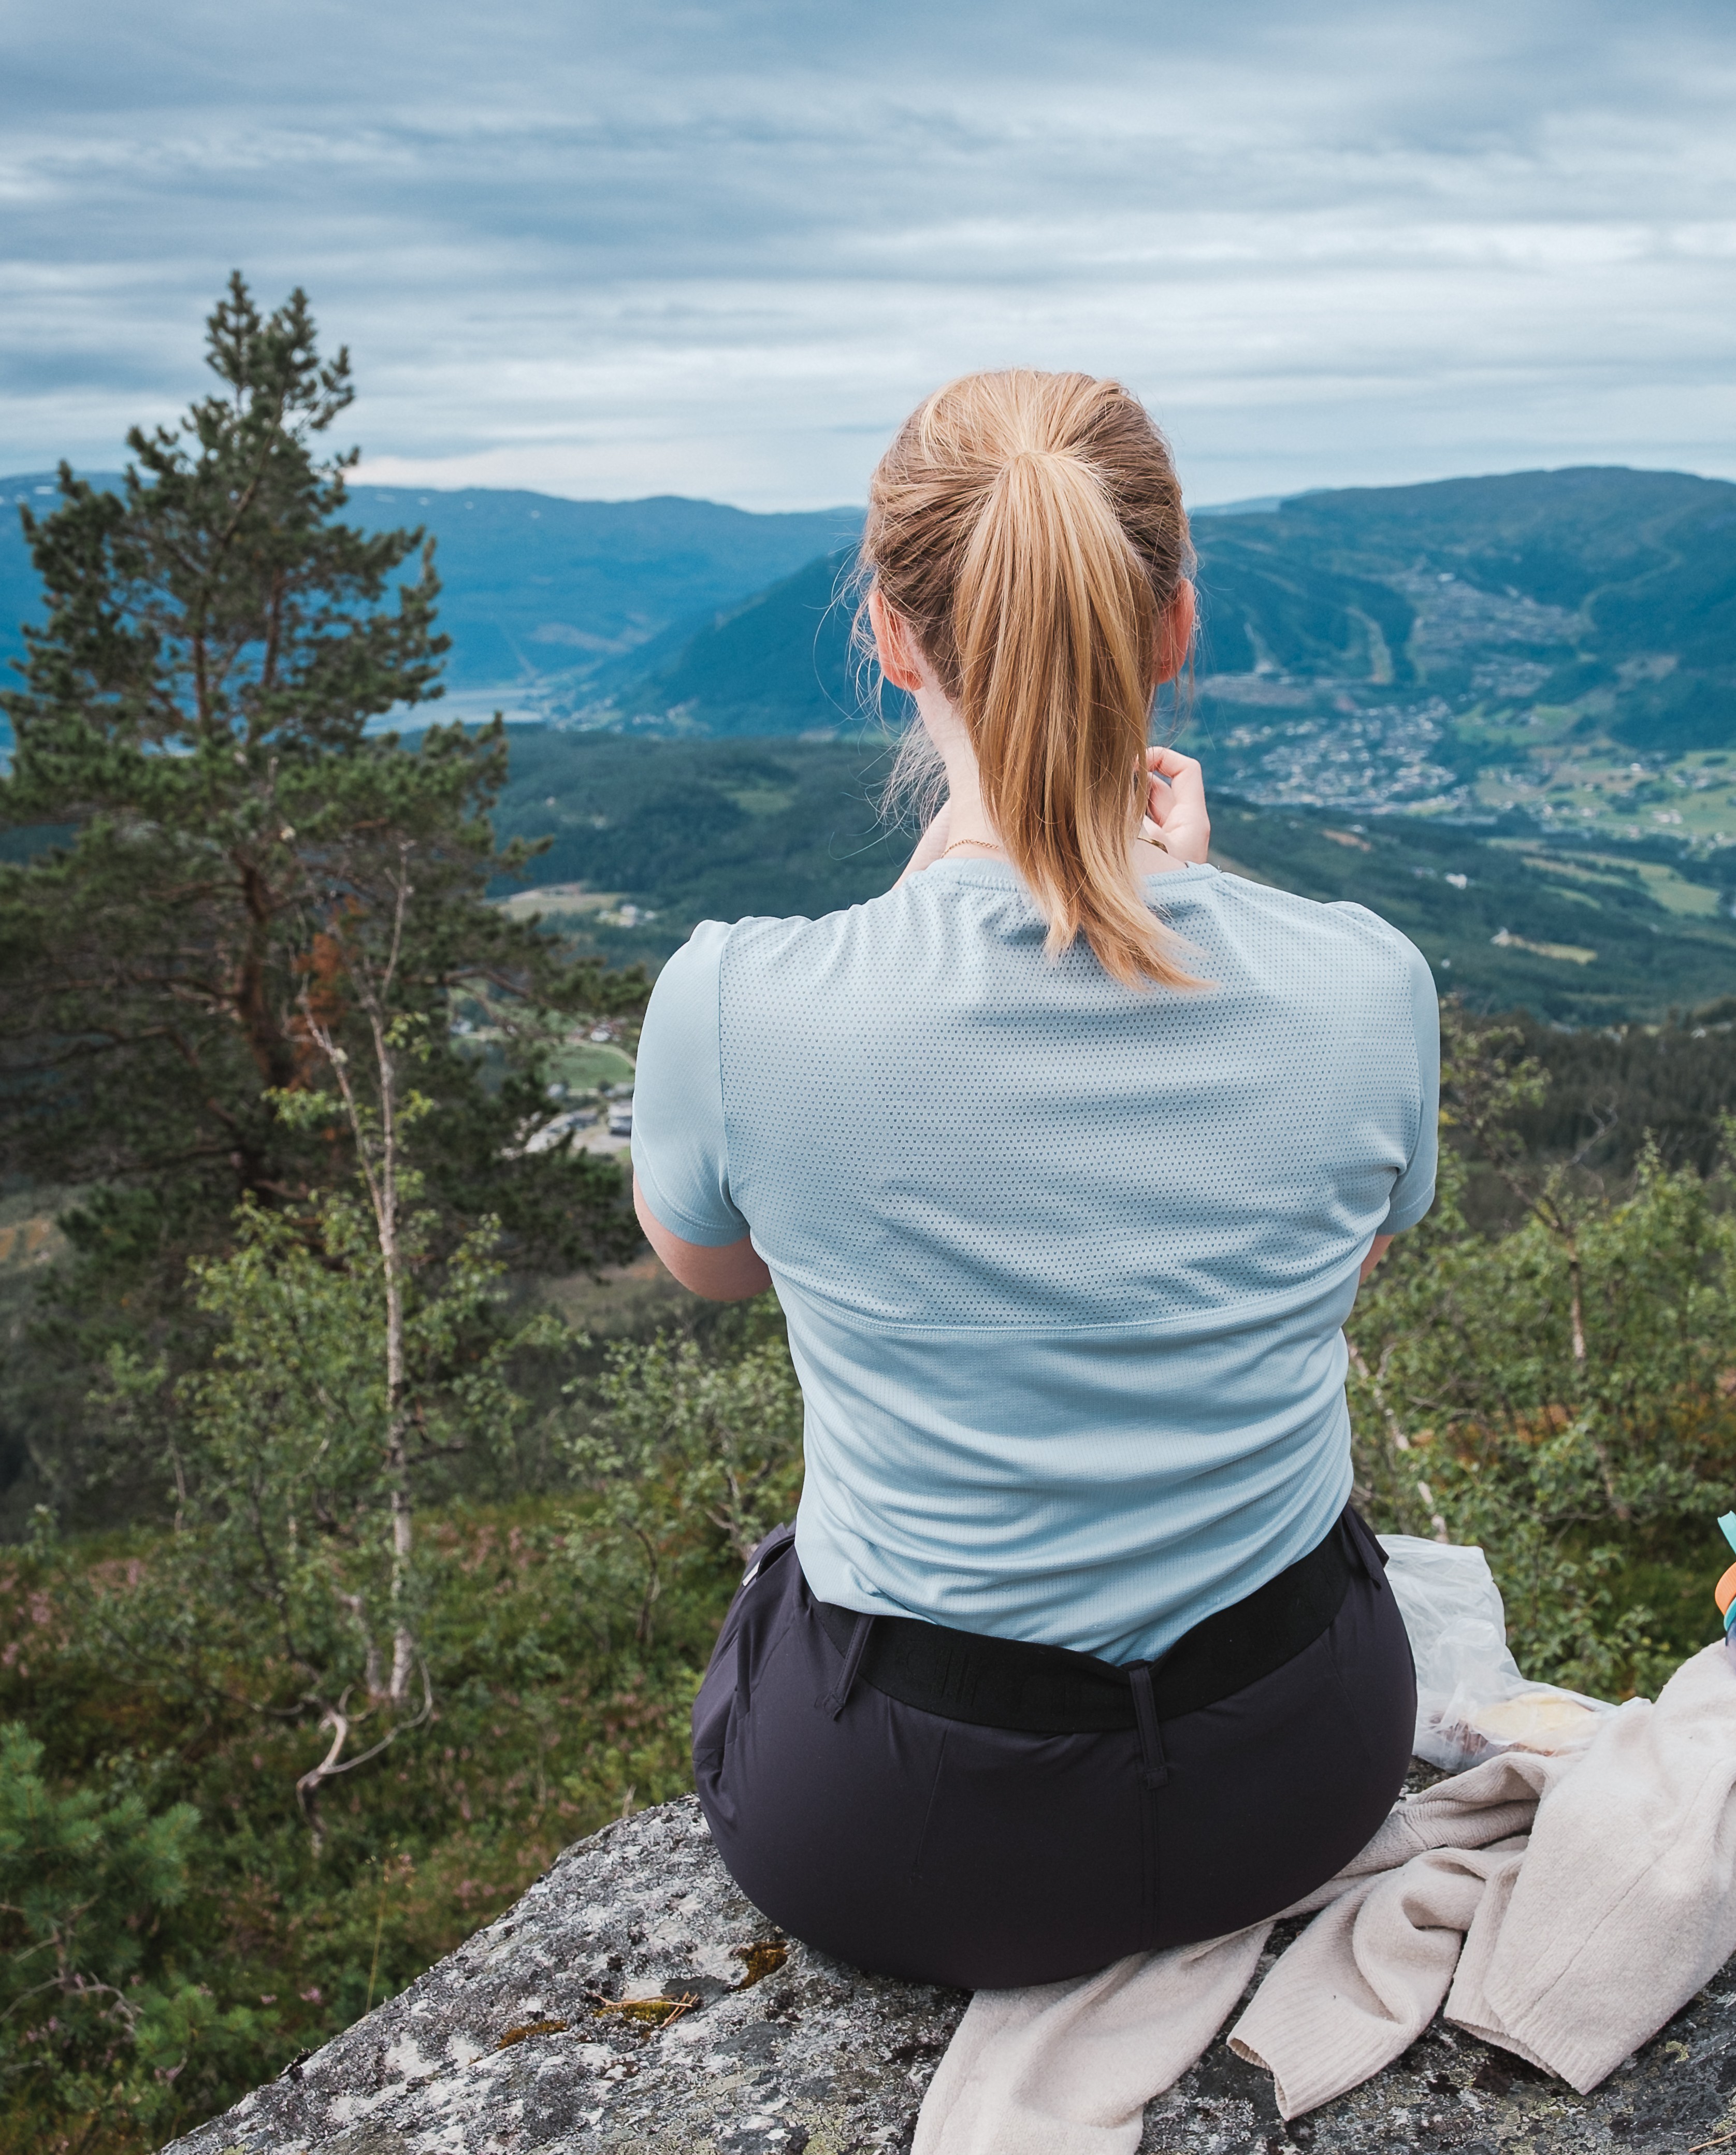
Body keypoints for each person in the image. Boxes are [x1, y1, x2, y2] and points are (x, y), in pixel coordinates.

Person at [630, 369, 1439, 1990]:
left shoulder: (738, 1003)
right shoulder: (1366, 984)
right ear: (1176, 623)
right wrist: (1181, 909)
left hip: (903, 1837)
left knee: (787, 1581)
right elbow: (1340, 1253)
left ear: (892, 634)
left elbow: (716, 1264)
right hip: (1297, 1771)